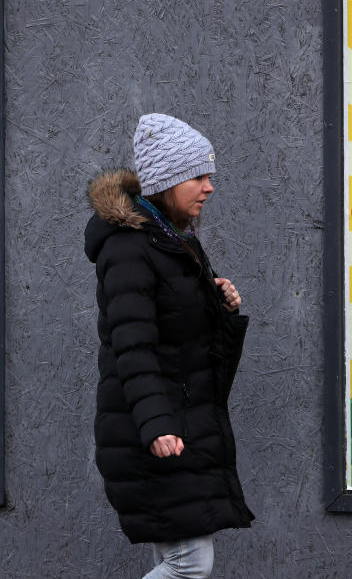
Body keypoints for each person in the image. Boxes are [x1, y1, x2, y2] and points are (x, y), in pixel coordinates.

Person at [84, 113, 253, 578]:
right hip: (153, 428)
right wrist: (157, 424)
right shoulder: (130, 249)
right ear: (167, 180)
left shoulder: (173, 240)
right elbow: (132, 345)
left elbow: (182, 333)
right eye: (198, 176)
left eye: (209, 176)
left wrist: (221, 304)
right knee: (189, 563)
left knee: (174, 556)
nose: (209, 187)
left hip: (177, 423)